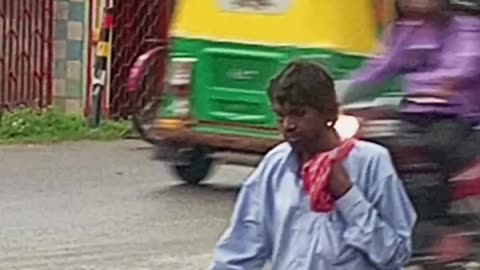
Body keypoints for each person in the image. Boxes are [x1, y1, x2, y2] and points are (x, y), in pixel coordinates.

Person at [208, 60, 417, 270]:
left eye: (299, 114)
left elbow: (395, 256)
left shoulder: (372, 163)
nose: (288, 125)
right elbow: (240, 250)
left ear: (329, 113)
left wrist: (348, 197)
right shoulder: (275, 166)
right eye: (280, 116)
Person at [340, 0, 480, 262]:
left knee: (434, 150)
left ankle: (439, 231)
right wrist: (342, 92)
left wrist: (431, 85)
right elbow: (379, 68)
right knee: (381, 145)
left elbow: (462, 66)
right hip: (414, 114)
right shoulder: (405, 31)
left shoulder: (467, 30)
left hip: (456, 118)